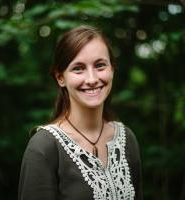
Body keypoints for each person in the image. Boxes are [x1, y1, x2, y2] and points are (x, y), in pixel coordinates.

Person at [18, 25, 142, 200]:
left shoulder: (127, 139)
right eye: (78, 68)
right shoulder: (44, 147)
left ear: (112, 69)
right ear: (60, 77)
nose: (92, 79)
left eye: (100, 65)